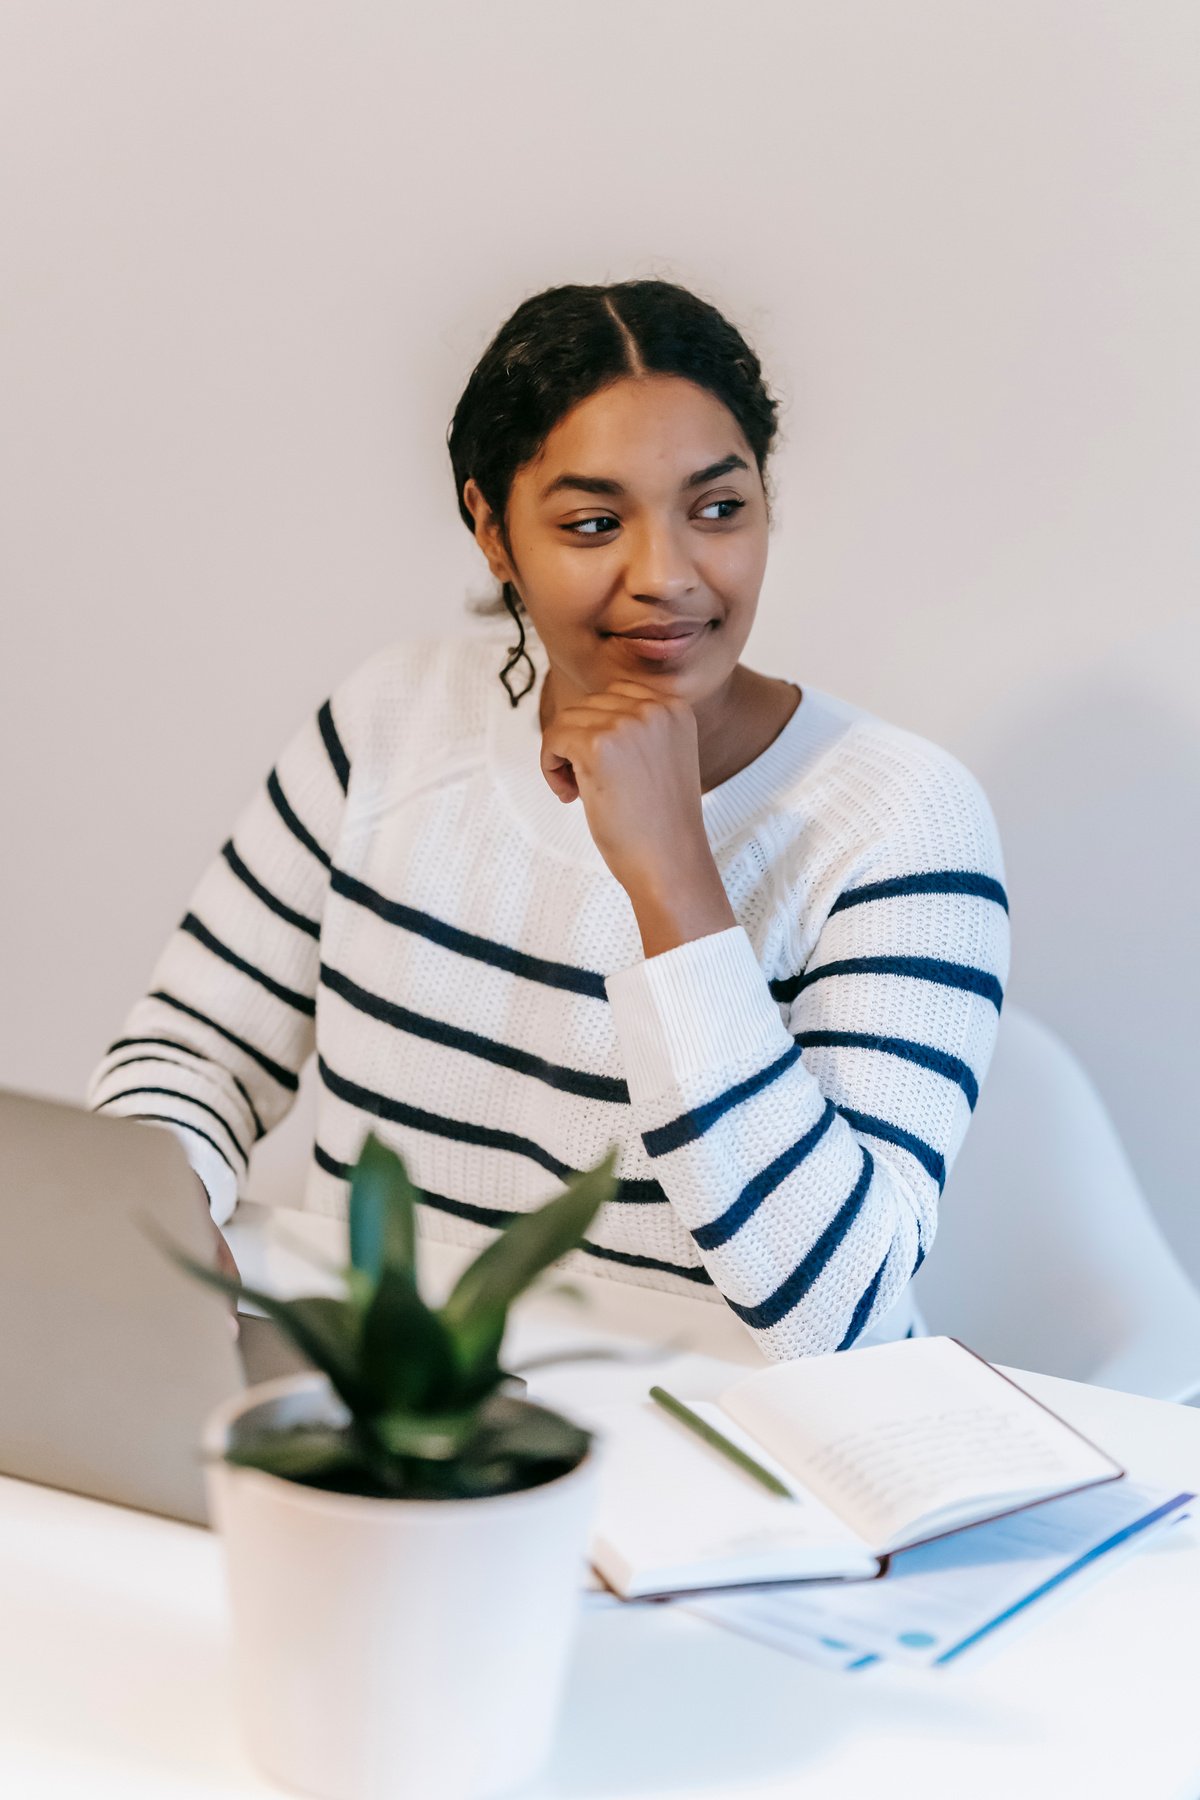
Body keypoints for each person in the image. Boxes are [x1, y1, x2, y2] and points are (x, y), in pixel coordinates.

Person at [85, 279, 1010, 1361]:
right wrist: (153, 1222)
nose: (667, 576)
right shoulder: (391, 720)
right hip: (401, 1435)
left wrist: (672, 873)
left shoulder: (900, 818)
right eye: (593, 523)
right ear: (491, 528)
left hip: (737, 1467)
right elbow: (195, 1053)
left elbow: (835, 1313)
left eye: (719, 508)